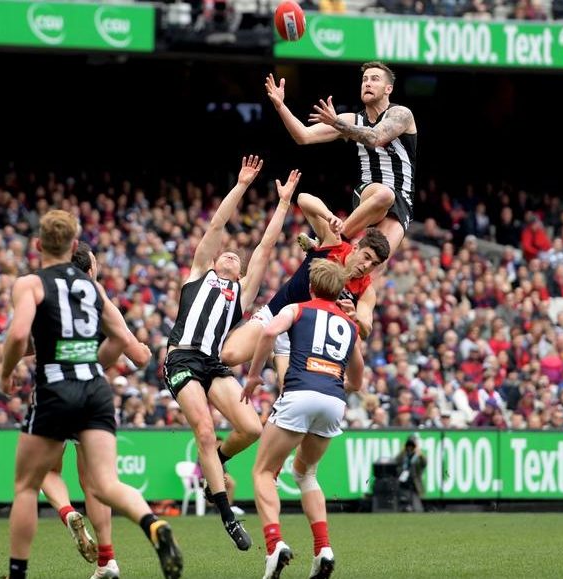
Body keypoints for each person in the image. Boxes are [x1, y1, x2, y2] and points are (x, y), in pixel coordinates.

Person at [0, 210, 181, 579]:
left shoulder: (30, 284)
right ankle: (153, 525)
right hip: (94, 389)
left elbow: (18, 335)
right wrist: (93, 362)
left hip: (55, 388)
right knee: (105, 484)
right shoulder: (92, 289)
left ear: (38, 245)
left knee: (27, 486)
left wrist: (6, 372)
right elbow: (125, 341)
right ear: (74, 246)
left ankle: (18, 572)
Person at [164, 155, 300, 551]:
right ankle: (226, 514)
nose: (231, 255)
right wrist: (241, 185)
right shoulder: (198, 274)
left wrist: (283, 203)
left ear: (240, 275)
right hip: (182, 358)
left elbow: (266, 246)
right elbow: (217, 225)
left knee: (252, 429)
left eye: (236, 259)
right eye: (226, 254)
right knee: (204, 430)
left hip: (212, 364)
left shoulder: (241, 293)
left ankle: (216, 465)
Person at [242, 258, 365, 579]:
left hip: (300, 393)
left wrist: (253, 375)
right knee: (306, 473)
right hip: (334, 401)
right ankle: (323, 549)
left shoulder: (296, 309)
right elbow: (357, 380)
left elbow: (269, 331)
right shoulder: (350, 325)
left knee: (263, 472)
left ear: (311, 286)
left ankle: (274, 545)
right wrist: (332, 381)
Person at [38, 242, 153, 579]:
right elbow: (137, 355)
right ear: (89, 269)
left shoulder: (45, 292)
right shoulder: (96, 295)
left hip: (54, 388)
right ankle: (107, 560)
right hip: (90, 391)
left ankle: (67, 512)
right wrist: (142, 350)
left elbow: (25, 342)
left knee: (45, 470)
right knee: (95, 483)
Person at [221, 191, 390, 385]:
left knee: (290, 390)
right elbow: (302, 199)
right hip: (276, 313)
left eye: (374, 264)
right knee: (229, 355)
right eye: (367, 257)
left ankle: (277, 358)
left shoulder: (366, 290)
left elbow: (366, 329)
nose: (367, 266)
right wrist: (329, 216)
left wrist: (356, 318)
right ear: (356, 247)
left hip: (300, 339)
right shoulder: (334, 243)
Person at [265, 62, 417, 259]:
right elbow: (303, 136)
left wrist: (336, 122)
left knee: (376, 261)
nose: (367, 83)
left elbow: (375, 138)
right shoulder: (352, 119)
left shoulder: (401, 114)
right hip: (369, 191)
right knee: (385, 195)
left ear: (389, 89)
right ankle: (333, 240)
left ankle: (329, 245)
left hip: (403, 198)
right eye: (364, 79)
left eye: (374, 79)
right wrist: (280, 106)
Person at [394, 435, 427, 512]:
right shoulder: (403, 454)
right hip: (403, 484)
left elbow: (424, 463)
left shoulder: (418, 456)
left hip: (414, 485)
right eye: (409, 445)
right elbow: (395, 462)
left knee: (417, 509)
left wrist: (419, 454)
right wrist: (403, 451)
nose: (410, 447)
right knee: (402, 506)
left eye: (412, 445)